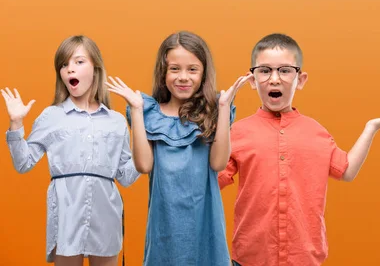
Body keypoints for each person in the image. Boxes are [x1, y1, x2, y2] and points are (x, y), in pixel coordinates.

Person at [219, 33, 380, 266]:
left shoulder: (316, 132)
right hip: (250, 258)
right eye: (265, 70)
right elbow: (214, 179)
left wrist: (370, 128)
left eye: (285, 70)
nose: (274, 79)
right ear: (252, 80)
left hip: (304, 258)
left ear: (301, 79)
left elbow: (346, 170)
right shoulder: (238, 132)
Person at [106, 31, 251, 266]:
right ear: (163, 73)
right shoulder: (150, 113)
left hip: (206, 223)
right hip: (165, 227)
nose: (183, 77)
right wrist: (136, 110)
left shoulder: (213, 111)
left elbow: (218, 164)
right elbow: (144, 166)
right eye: (175, 69)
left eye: (192, 69)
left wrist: (223, 108)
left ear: (203, 73)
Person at [2, 35, 140, 266]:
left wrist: (148, 144)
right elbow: (23, 163)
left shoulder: (116, 121)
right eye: (64, 65)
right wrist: (16, 124)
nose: (69, 69)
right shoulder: (51, 116)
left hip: (107, 213)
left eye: (78, 62)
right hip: (66, 214)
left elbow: (125, 177)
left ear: (95, 67)